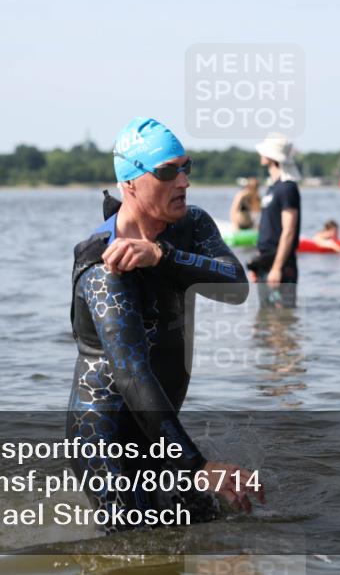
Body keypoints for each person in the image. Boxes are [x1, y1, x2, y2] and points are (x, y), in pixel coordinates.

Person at [67, 117, 263, 533]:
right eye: (167, 172)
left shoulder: (191, 225)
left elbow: (235, 286)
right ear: (130, 183)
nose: (184, 182)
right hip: (106, 438)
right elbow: (132, 374)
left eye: (186, 167)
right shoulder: (105, 263)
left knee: (209, 528)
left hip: (160, 429)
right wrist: (198, 465)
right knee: (136, 549)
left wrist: (162, 256)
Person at [248, 133, 301, 308]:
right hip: (266, 261)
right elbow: (268, 226)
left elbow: (289, 231)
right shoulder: (273, 187)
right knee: (266, 317)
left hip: (280, 264)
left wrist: (277, 268)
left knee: (281, 321)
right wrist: (258, 264)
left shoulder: (287, 188)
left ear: (272, 156)